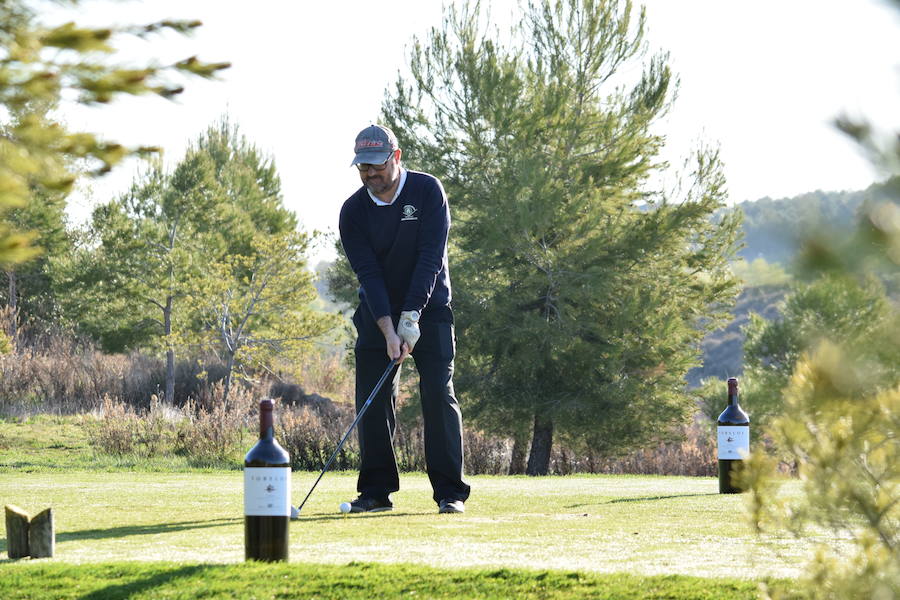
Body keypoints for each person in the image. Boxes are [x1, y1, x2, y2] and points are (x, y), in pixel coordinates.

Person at [338, 124, 470, 515]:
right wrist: (388, 328)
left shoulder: (428, 191)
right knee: (372, 399)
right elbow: (369, 275)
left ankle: (450, 493)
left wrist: (411, 319)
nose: (370, 174)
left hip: (431, 310)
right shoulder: (353, 211)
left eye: (376, 166)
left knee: (438, 395)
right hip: (378, 313)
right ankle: (376, 492)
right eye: (362, 167)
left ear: (395, 158)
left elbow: (430, 260)